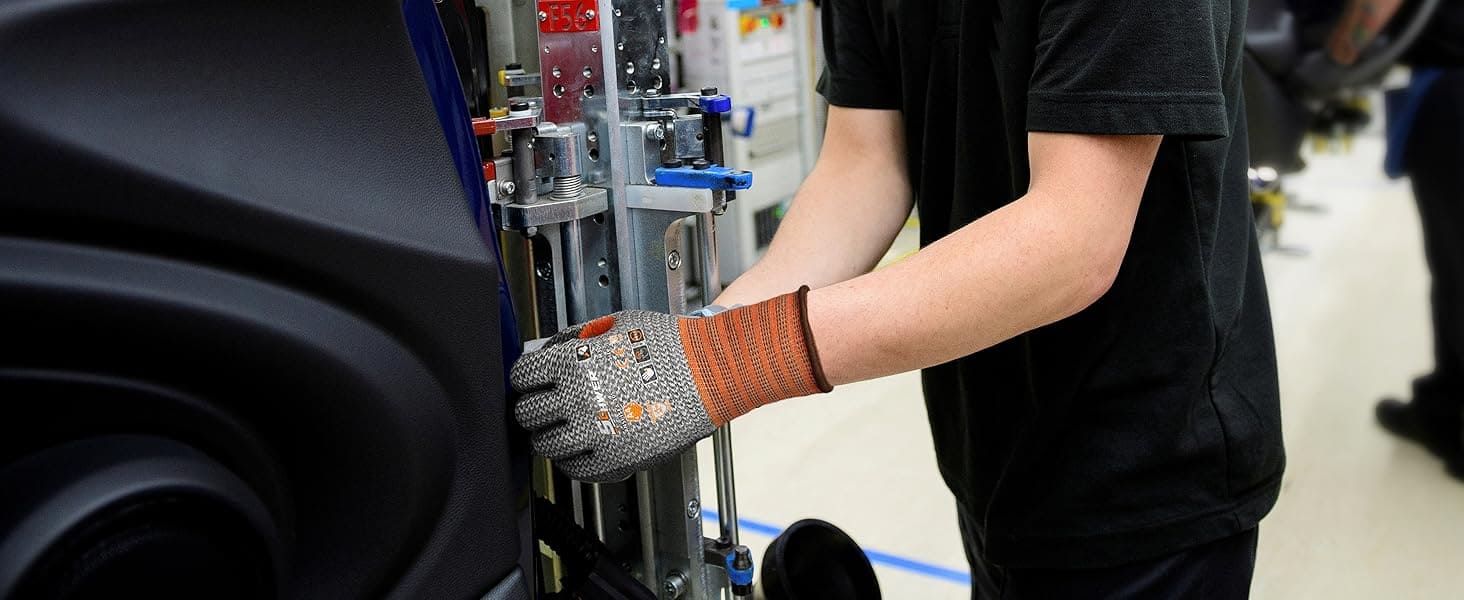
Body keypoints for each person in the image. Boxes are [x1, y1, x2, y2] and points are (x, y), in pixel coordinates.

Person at [511, 0, 1285, 596]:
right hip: (993, 436)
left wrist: (721, 361)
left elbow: (1073, 237)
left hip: (1150, 468)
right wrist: (700, 338)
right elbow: (866, 167)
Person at [1320, 0, 1464, 480]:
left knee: (1457, 269)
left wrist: (1337, 53)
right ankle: (1444, 406)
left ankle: (1449, 421)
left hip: (1454, 89)